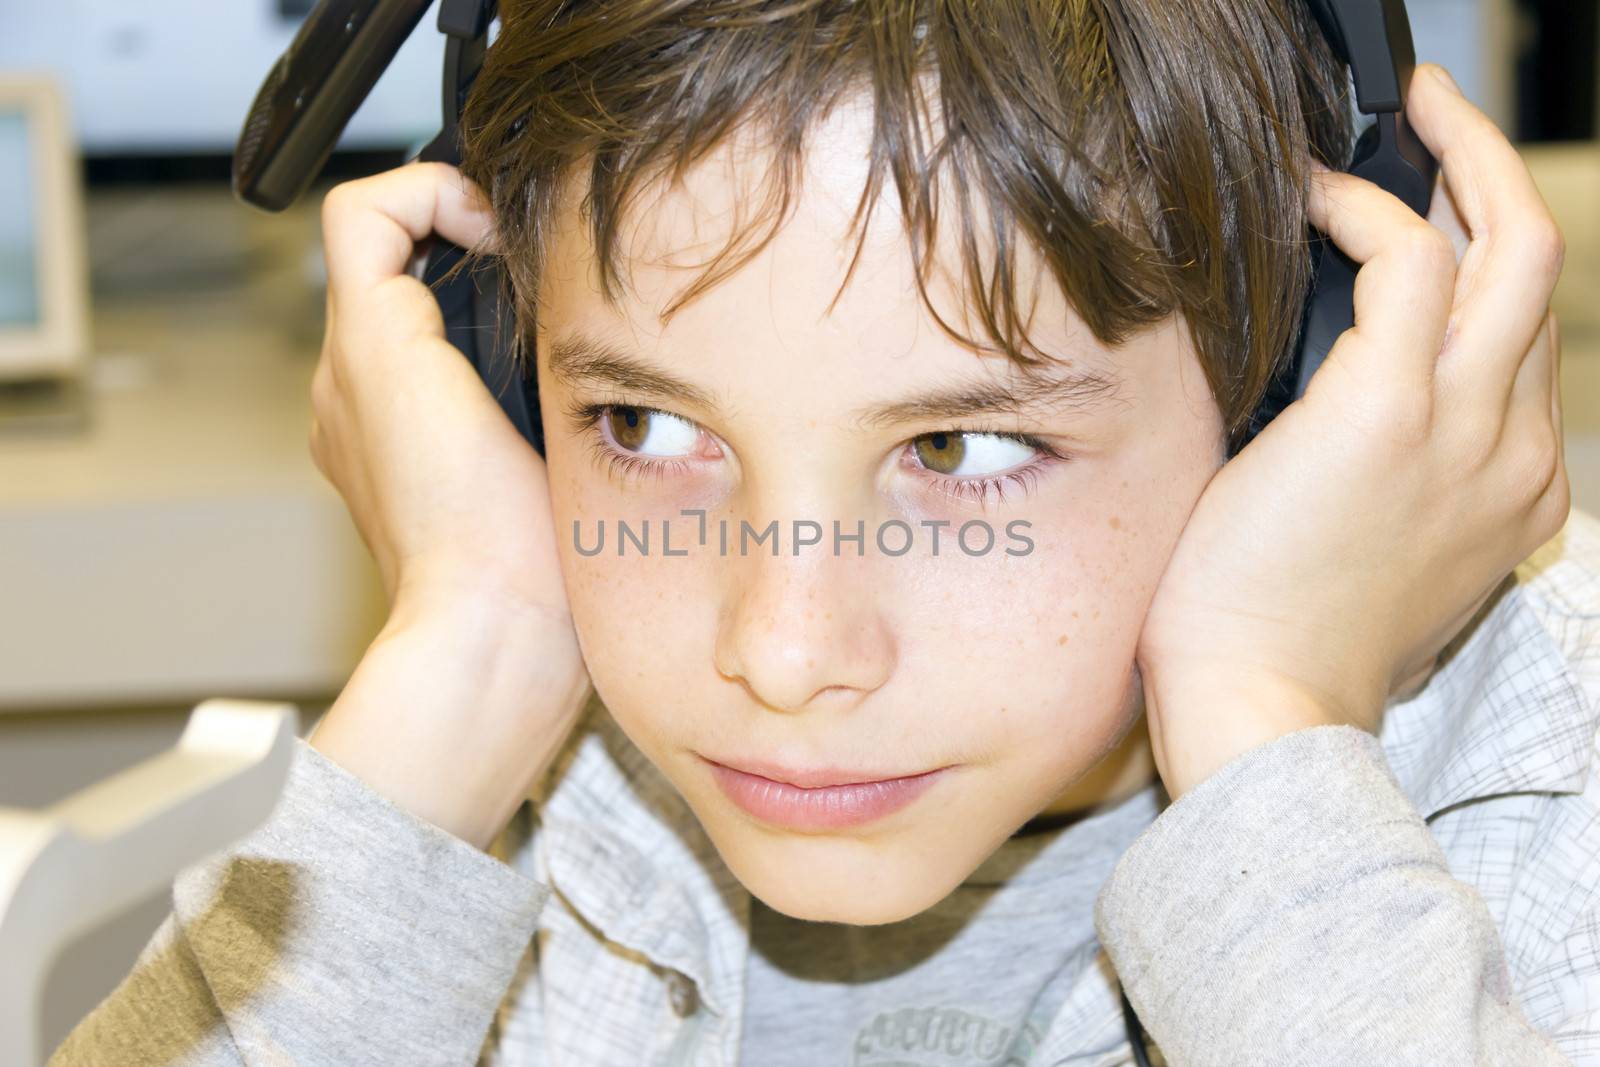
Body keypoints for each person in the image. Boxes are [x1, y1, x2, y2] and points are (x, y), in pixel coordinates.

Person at [50, 1, 1596, 1064]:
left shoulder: (1546, 787)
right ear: (504, 376)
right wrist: (467, 656)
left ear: (1303, 384)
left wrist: (1264, 726)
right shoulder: (528, 754)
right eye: (645, 428)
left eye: (963, 448)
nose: (781, 655)